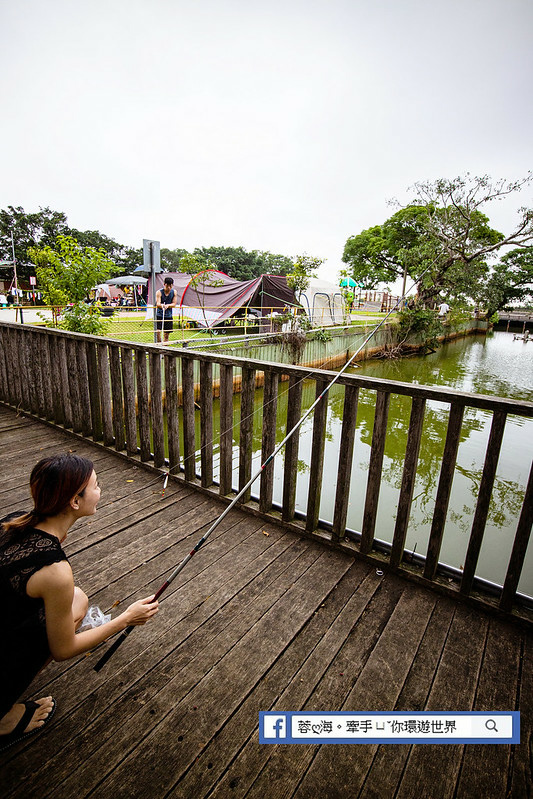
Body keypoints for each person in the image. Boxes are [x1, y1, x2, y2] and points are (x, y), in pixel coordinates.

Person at [0, 454, 159, 752]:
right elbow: (64, 650)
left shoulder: (12, 522)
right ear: (74, 501)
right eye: (97, 486)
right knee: (67, 610)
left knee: (78, 598)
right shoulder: (55, 571)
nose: (101, 491)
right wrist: (126, 618)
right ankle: (4, 715)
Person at [156, 276, 177, 343]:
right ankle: (159, 344)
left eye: (170, 286)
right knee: (158, 332)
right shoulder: (159, 292)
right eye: (167, 286)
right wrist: (162, 305)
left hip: (168, 315)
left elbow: (174, 304)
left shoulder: (174, 292)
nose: (169, 288)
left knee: (166, 334)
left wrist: (168, 305)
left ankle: (165, 346)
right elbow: (158, 303)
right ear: (164, 284)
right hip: (160, 314)